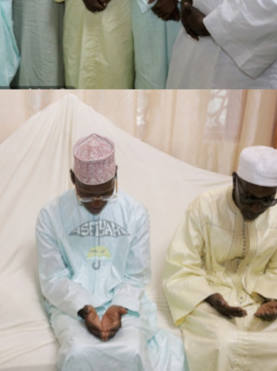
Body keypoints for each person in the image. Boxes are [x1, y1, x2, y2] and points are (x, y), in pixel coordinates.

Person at [36, 134, 184, 370]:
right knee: (78, 352)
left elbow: (136, 275)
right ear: (72, 178)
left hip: (125, 302)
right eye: (86, 193)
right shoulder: (50, 216)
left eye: (105, 193)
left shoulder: (135, 212)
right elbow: (53, 278)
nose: (96, 202)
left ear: (116, 175)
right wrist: (84, 308)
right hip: (70, 305)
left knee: (131, 350)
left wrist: (118, 307)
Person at [163, 146, 277, 370]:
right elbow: (181, 263)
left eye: (267, 200)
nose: (256, 208)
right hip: (210, 297)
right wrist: (212, 297)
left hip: (264, 297)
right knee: (224, 345)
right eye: (249, 198)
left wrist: (273, 300)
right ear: (235, 180)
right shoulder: (205, 206)